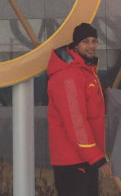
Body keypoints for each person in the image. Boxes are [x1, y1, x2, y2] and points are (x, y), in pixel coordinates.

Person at [47, 23, 113, 196]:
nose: (91, 46)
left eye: (94, 41)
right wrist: (96, 157)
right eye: (86, 41)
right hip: (73, 163)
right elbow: (76, 121)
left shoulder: (85, 71)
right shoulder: (68, 76)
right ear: (76, 45)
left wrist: (104, 95)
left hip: (84, 160)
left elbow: (86, 106)